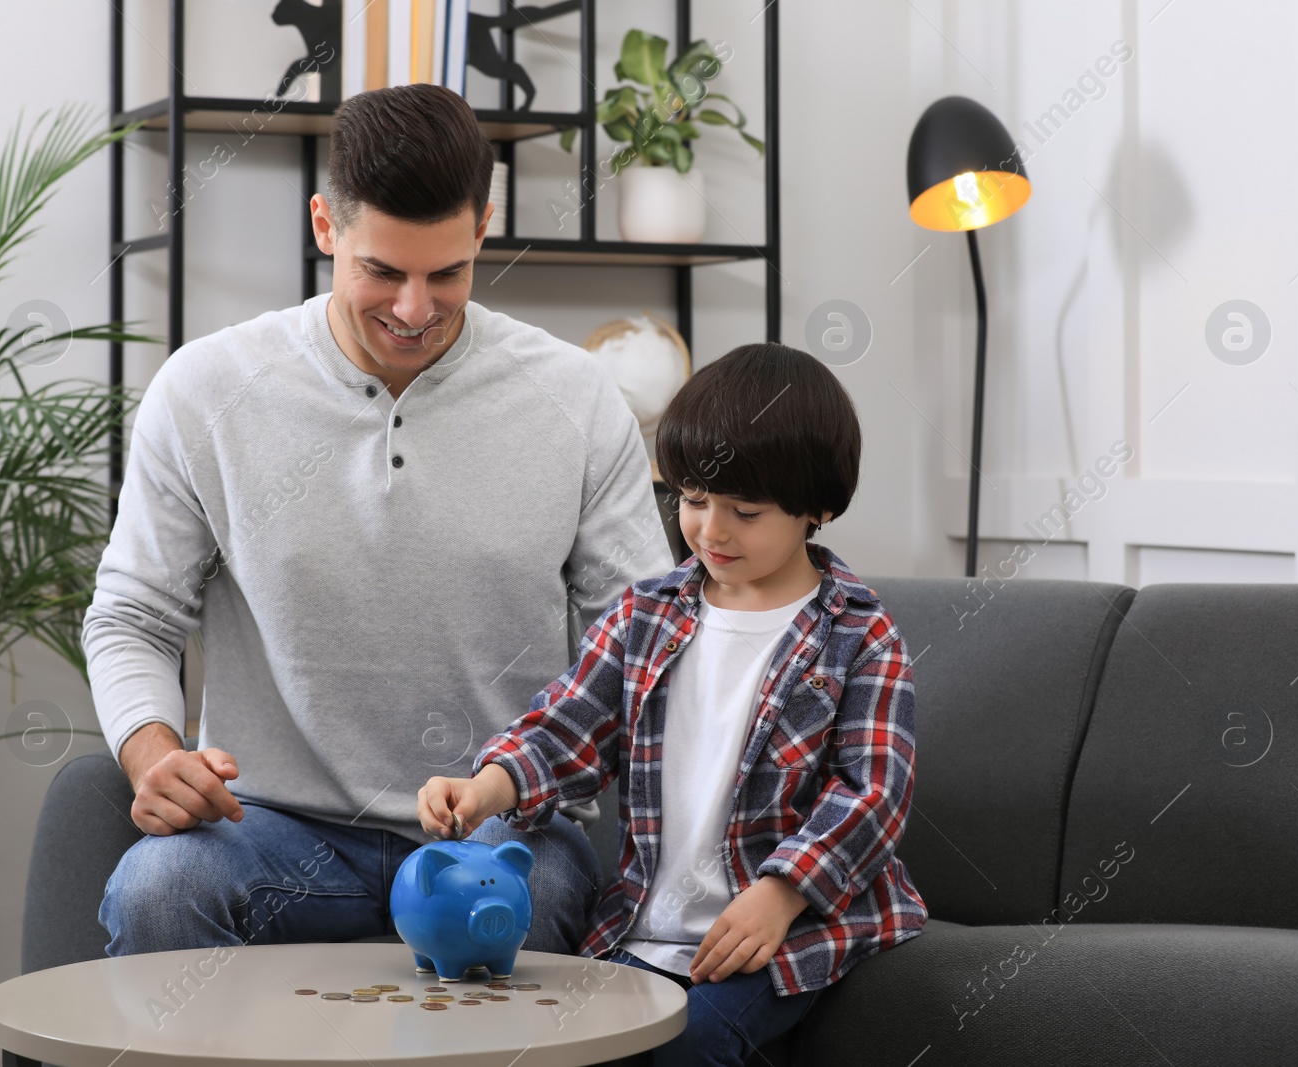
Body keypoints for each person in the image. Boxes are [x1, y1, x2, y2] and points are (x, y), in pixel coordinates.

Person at [84, 83, 672, 958]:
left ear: (483, 228)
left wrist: (512, 787)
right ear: (326, 226)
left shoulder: (576, 401)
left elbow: (645, 644)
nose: (414, 309)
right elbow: (132, 615)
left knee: (539, 894)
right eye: (383, 271)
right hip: (274, 828)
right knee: (161, 888)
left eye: (447, 273)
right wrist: (151, 752)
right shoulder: (204, 392)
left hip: (495, 831)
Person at [418, 343, 926, 1066]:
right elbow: (565, 729)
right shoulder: (647, 614)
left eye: (744, 511)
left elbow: (872, 793)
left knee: (694, 1040)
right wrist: (483, 788)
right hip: (644, 924)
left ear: (818, 506)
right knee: (575, 1043)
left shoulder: (859, 634)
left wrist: (782, 893)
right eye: (692, 500)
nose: (710, 530)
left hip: (789, 924)